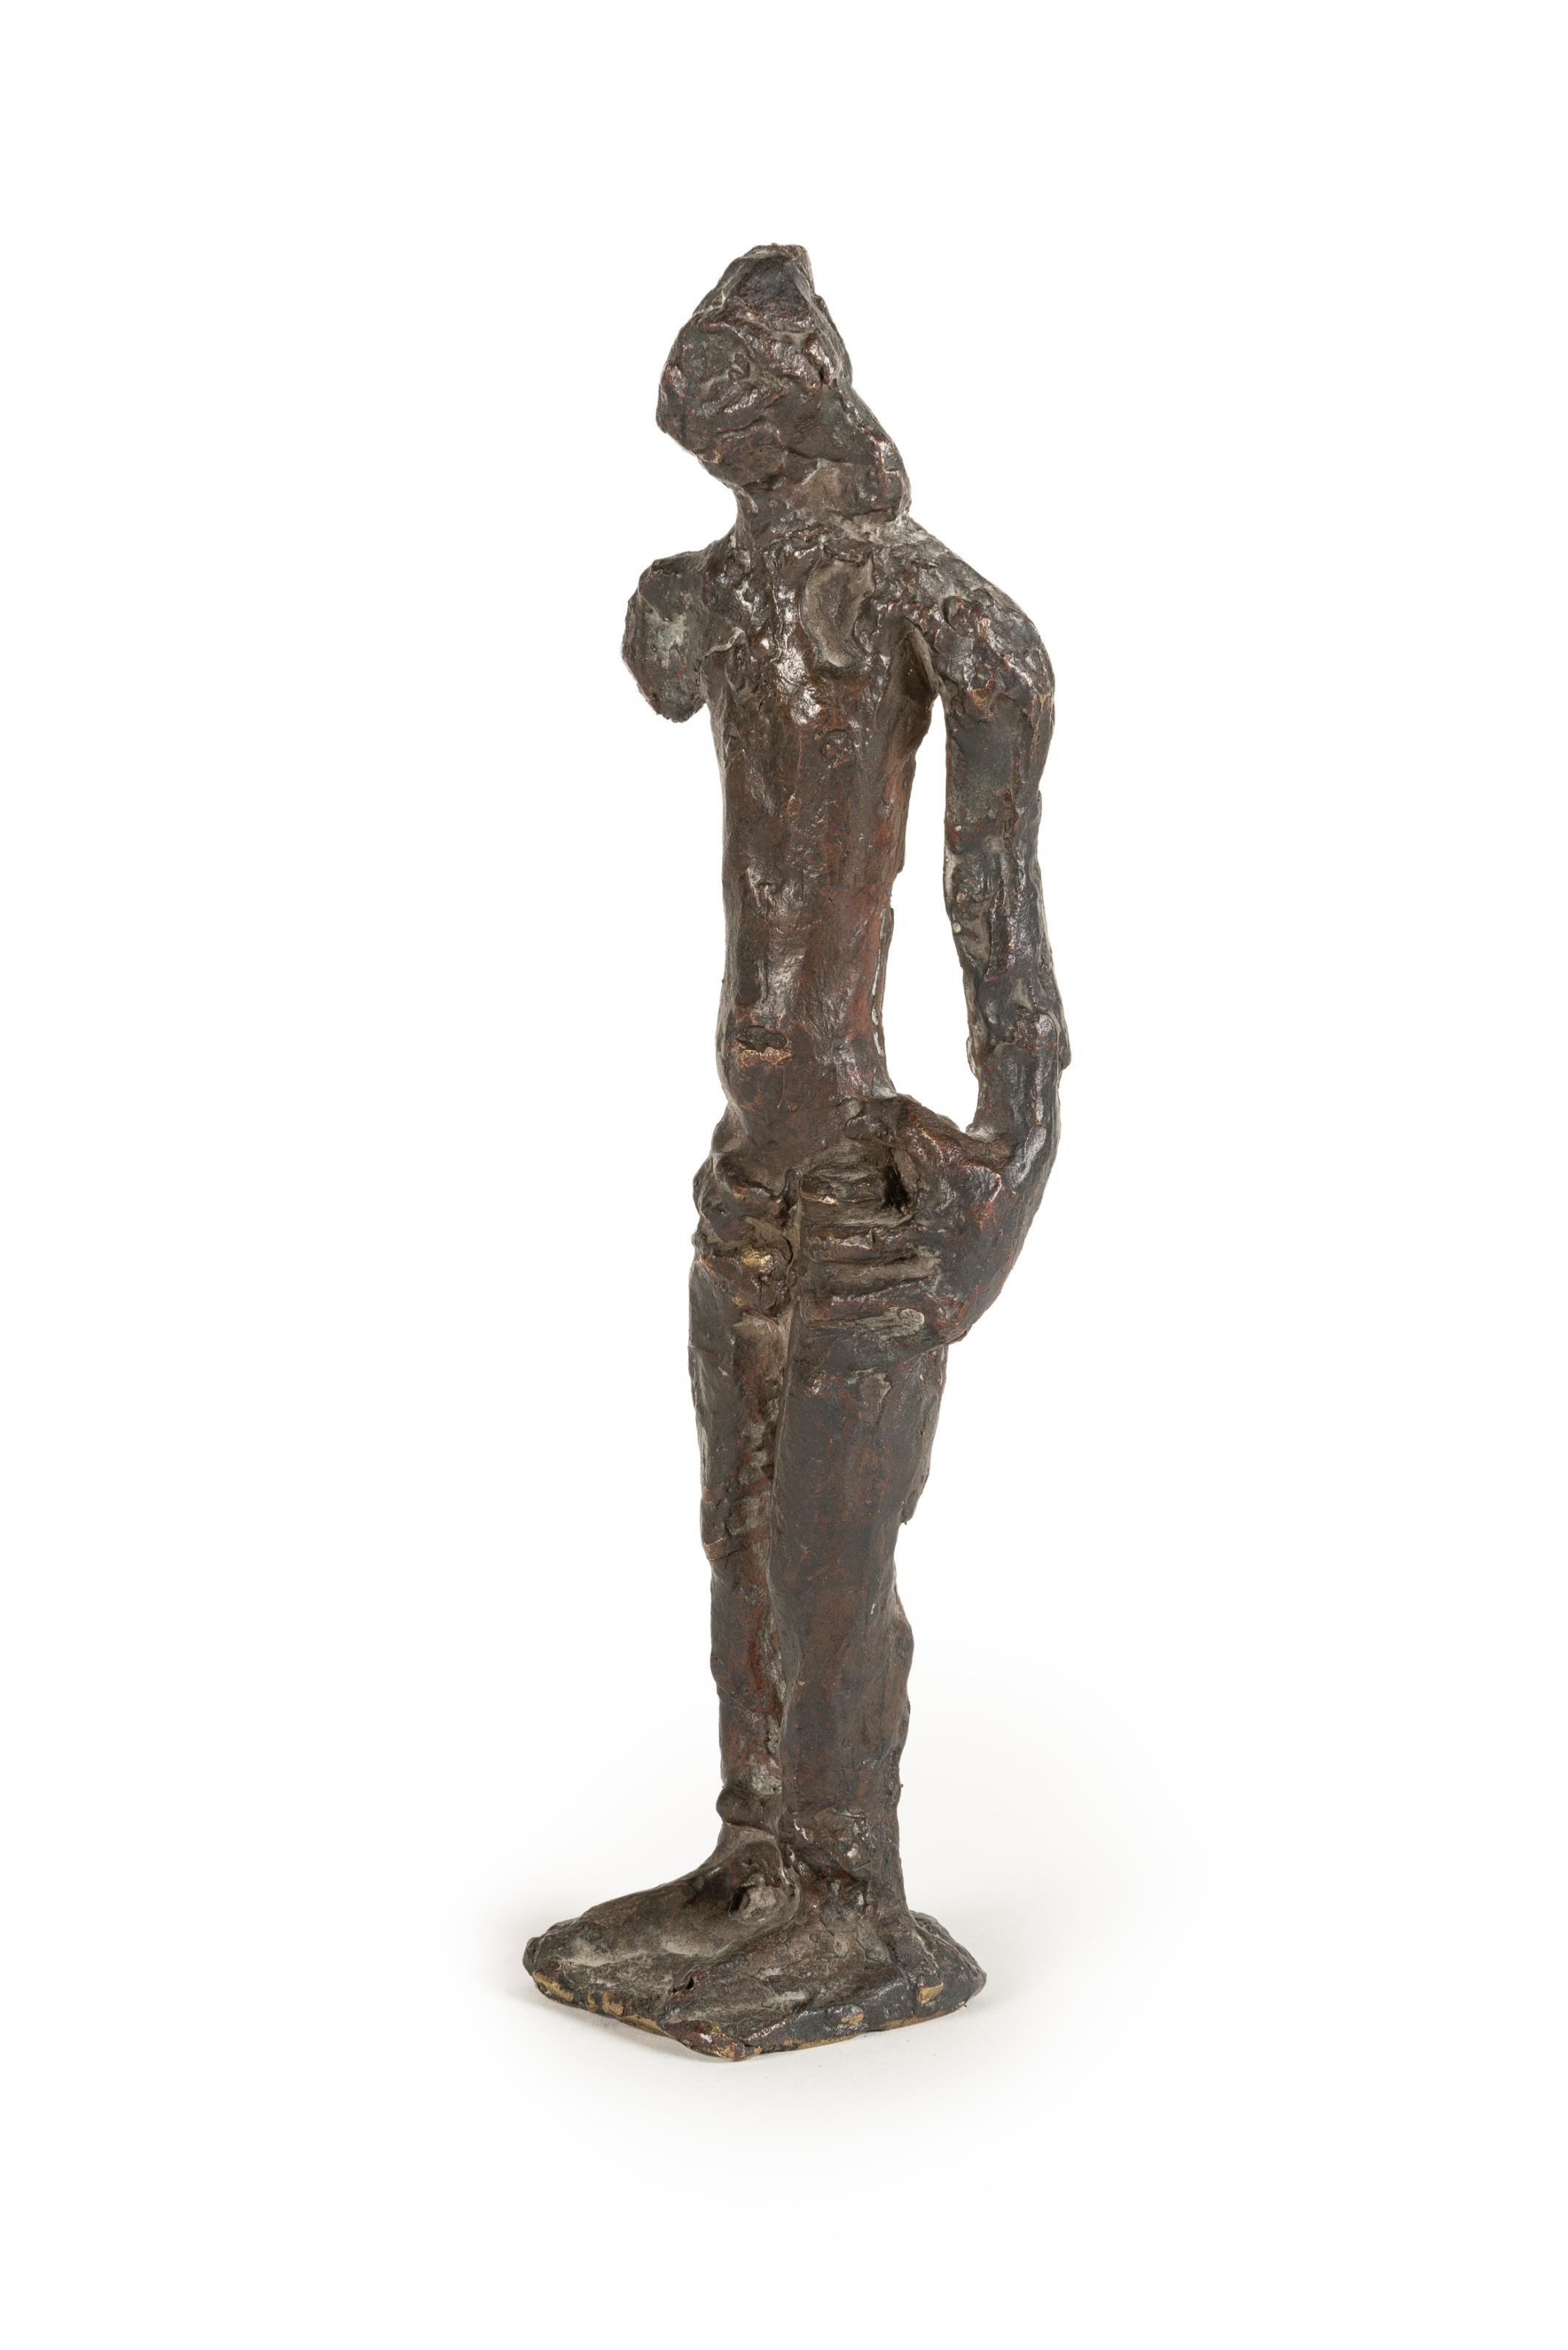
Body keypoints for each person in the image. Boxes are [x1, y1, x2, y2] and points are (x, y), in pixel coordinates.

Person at [526, 245, 1068, 2058]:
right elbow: (663, 649)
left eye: (742, 431)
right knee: (741, 1525)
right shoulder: (734, 591)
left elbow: (1010, 959)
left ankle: (850, 1891)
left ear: (808, 407)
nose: (723, 468)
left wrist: (996, 1191)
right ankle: (762, 1852)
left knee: (832, 1557)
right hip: (747, 1170)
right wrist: (691, 593)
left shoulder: (937, 614)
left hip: (854, 1181)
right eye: (709, 447)